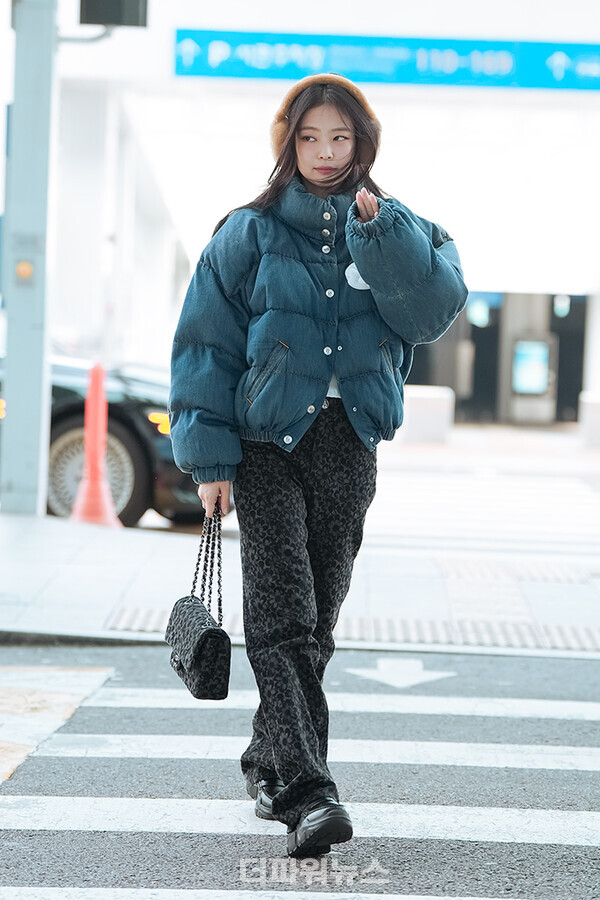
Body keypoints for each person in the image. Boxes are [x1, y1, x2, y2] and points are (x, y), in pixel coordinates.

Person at [168, 72, 468, 857]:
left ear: (363, 144)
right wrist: (209, 459)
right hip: (266, 447)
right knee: (282, 617)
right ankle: (309, 793)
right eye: (310, 138)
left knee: (316, 623)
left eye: (340, 138)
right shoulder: (249, 231)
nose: (326, 153)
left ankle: (269, 760)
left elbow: (434, 312)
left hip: (349, 442)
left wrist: (383, 234)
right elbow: (204, 344)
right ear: (288, 144)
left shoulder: (405, 229)